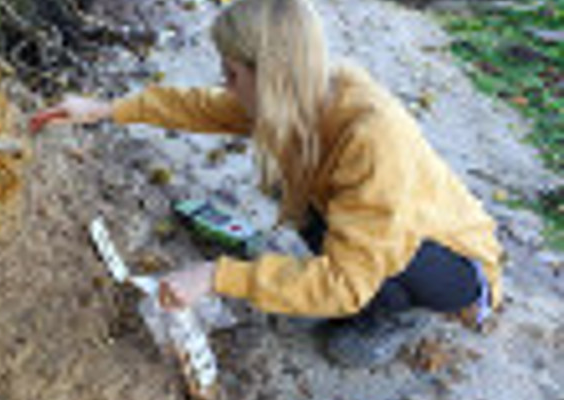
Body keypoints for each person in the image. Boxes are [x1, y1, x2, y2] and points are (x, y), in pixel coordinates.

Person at [30, 0, 503, 368]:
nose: (224, 84)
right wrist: (107, 109)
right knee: (290, 191)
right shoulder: (303, 92)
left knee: (358, 287)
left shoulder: (371, 139)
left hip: (452, 261)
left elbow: (346, 282)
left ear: (272, 76)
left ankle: (398, 317)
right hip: (379, 227)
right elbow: (204, 107)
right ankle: (356, 290)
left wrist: (217, 276)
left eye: (232, 74)